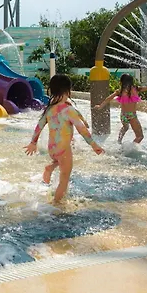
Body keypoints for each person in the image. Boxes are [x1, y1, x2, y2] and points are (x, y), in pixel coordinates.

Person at [24, 74, 105, 203]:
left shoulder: (50, 109)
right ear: (68, 90)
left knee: (59, 162)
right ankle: (56, 205)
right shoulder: (68, 110)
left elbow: (39, 126)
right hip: (64, 150)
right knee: (64, 179)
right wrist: (94, 145)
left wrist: (33, 142)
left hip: (52, 149)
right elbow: (82, 130)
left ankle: (49, 169)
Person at [94, 73, 147, 144]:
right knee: (140, 136)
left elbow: (109, 98)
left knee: (125, 127)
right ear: (132, 81)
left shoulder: (120, 91)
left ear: (122, 82)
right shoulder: (136, 89)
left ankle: (119, 141)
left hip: (123, 115)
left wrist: (100, 106)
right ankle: (130, 148)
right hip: (132, 115)